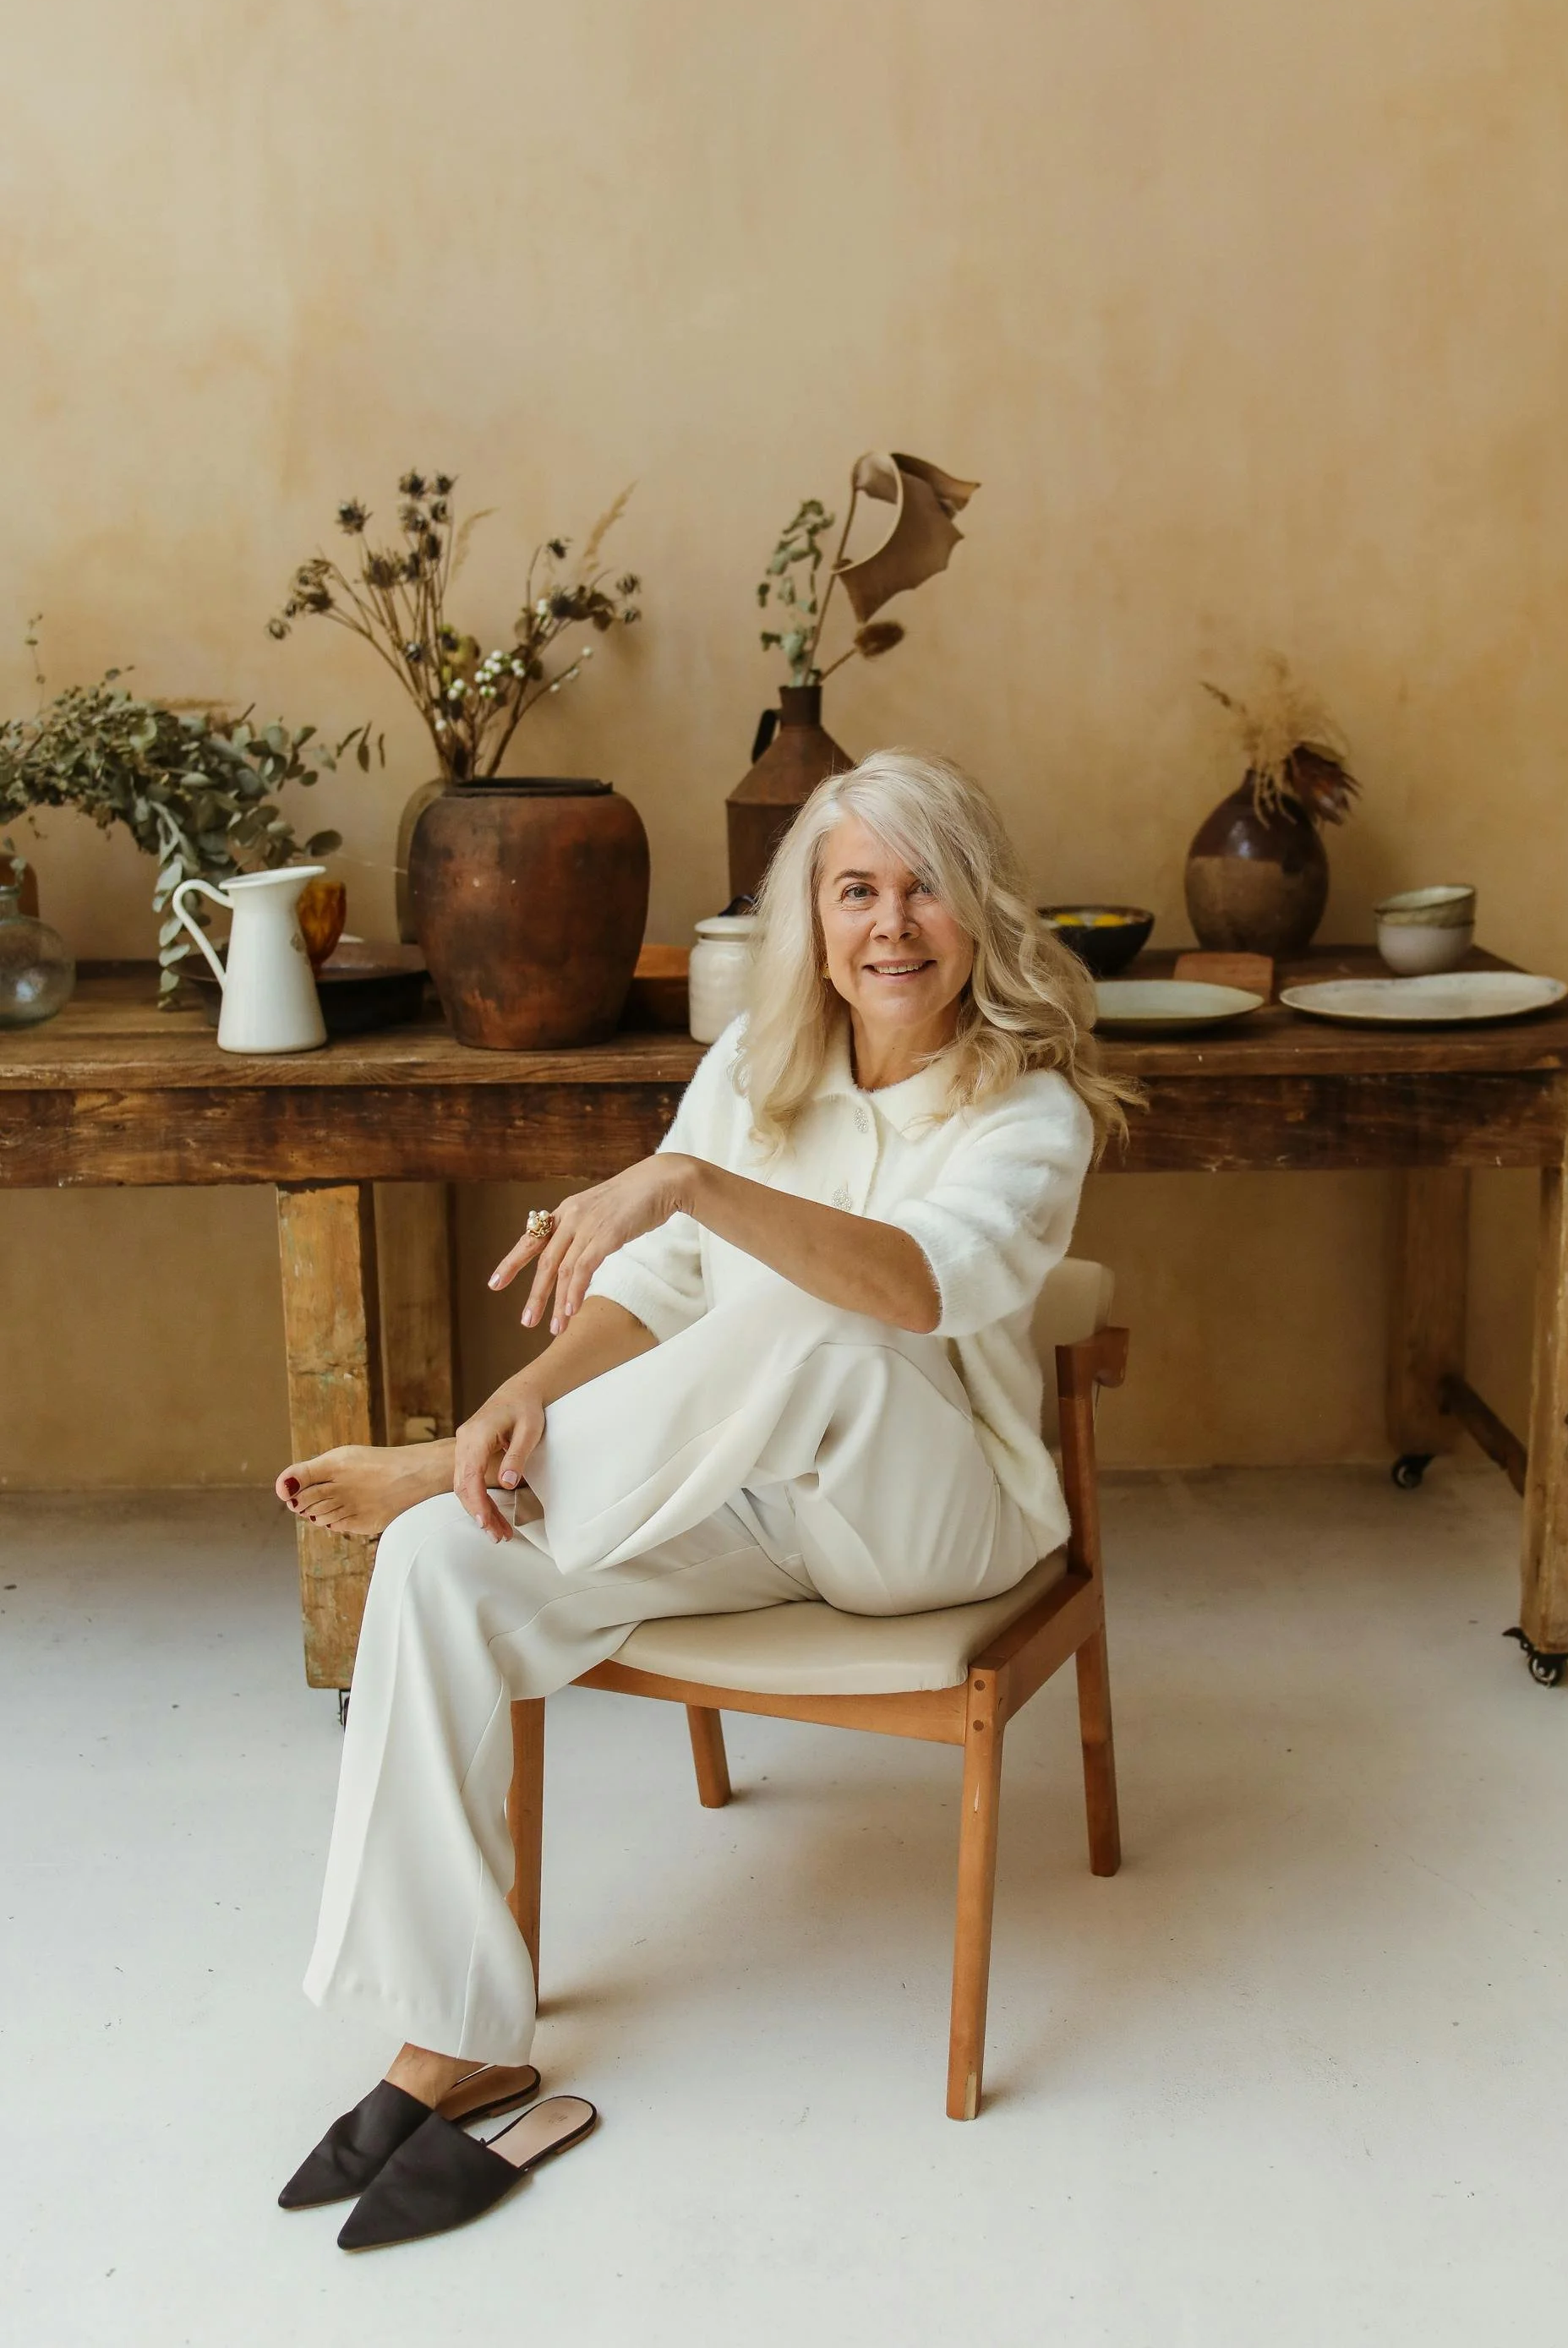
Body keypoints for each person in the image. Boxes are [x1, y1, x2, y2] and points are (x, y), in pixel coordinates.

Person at [274, 747, 1133, 2247]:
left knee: (825, 1316)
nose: (892, 923)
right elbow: (660, 1290)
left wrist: (687, 1184)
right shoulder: (755, 1071)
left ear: (979, 908)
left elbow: (917, 1288)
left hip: (931, 1525)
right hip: (733, 1494)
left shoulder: (1029, 1108)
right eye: (856, 886)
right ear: (812, 909)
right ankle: (454, 2029)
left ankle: (452, 1460)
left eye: (925, 885)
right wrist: (533, 1392)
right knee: (436, 1571)